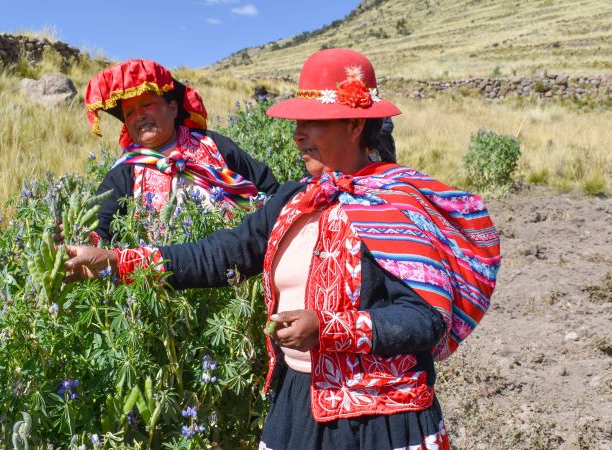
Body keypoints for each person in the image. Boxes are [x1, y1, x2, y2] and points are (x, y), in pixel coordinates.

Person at [64, 49, 500, 449]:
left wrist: (327, 329)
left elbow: (425, 319)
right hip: (296, 403)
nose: (298, 135)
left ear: (354, 125)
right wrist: (115, 262)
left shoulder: (394, 204)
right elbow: (222, 255)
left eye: (313, 123)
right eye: (297, 123)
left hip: (381, 419)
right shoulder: (295, 199)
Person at [83, 59, 280, 244]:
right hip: (166, 268)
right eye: (130, 113)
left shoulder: (211, 144)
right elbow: (99, 228)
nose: (139, 116)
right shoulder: (124, 172)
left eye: (147, 105)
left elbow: (269, 189)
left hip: (237, 258)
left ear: (173, 108)